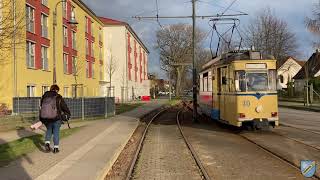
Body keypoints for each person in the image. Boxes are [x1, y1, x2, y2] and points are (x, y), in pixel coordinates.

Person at [40, 85, 71, 153]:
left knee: (49, 130)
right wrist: (68, 113)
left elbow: (41, 106)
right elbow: (64, 107)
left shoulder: (45, 96)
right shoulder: (58, 97)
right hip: (56, 118)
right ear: (57, 90)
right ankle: (55, 148)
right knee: (56, 132)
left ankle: (47, 143)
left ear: (51, 89)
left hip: (46, 118)